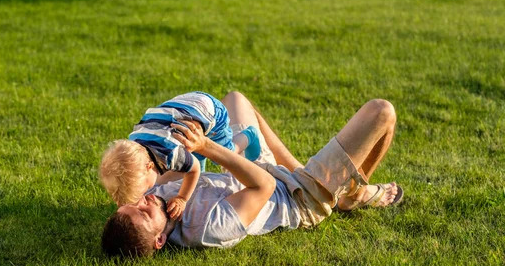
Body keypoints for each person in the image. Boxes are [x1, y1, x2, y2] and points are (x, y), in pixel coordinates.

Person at [101, 92, 404, 257]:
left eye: (133, 203)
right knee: (382, 112)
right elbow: (266, 186)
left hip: (257, 168)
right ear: (159, 241)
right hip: (298, 196)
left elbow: (153, 163)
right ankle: (352, 195)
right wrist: (206, 146)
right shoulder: (207, 229)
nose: (147, 200)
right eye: (144, 211)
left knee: (236, 100)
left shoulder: (156, 203)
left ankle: (308, 169)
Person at [99, 91, 262, 219]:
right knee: (192, 153)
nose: (148, 192)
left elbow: (194, 170)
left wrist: (182, 198)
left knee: (225, 155)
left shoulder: (171, 153)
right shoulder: (134, 143)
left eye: (146, 188)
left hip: (210, 111)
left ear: (149, 167)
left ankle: (249, 135)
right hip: (181, 105)